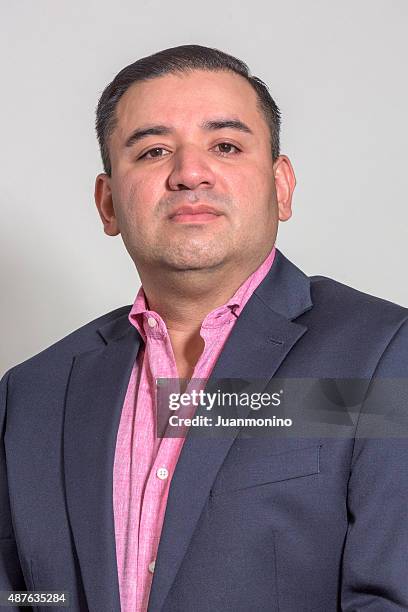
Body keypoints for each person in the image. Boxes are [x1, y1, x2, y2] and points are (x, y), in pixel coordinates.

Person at [1, 44, 408, 612]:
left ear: (281, 185)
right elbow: (25, 596)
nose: (189, 172)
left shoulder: (382, 357)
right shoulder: (34, 393)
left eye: (225, 146)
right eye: (153, 151)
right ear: (108, 203)